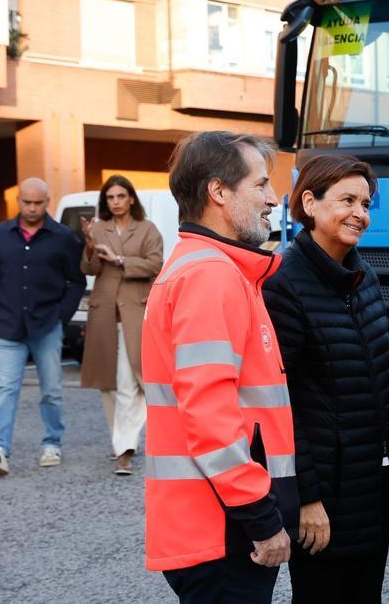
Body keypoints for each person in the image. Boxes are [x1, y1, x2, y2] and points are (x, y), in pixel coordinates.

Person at [263, 155, 389, 603]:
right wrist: (306, 498)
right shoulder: (285, 284)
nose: (361, 213)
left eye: (366, 203)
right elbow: (282, 404)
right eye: (347, 200)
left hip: (369, 486)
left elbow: (377, 382)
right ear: (310, 203)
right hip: (325, 496)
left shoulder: (364, 275)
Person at [142, 131, 298, 602]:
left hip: (211, 520)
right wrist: (260, 517)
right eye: (260, 185)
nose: (274, 199)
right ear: (218, 192)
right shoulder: (212, 275)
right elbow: (209, 414)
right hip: (225, 527)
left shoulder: (205, 268)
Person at [0, 177, 86, 476]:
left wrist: (61, 315)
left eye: (38, 203)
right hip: (8, 324)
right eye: (27, 202)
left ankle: (52, 443)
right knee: (6, 388)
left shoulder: (63, 237)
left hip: (47, 325)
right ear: (18, 202)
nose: (33, 208)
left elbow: (76, 281)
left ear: (47, 201)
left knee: (51, 390)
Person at [79, 175, 164, 475]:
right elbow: (88, 269)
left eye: (120, 196)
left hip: (134, 314)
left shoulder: (148, 229)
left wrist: (119, 259)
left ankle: (125, 449)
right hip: (104, 314)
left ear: (131, 198)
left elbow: (155, 264)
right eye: (110, 198)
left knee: (129, 382)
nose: (115, 202)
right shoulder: (99, 228)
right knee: (108, 385)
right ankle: (122, 442)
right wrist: (90, 245)